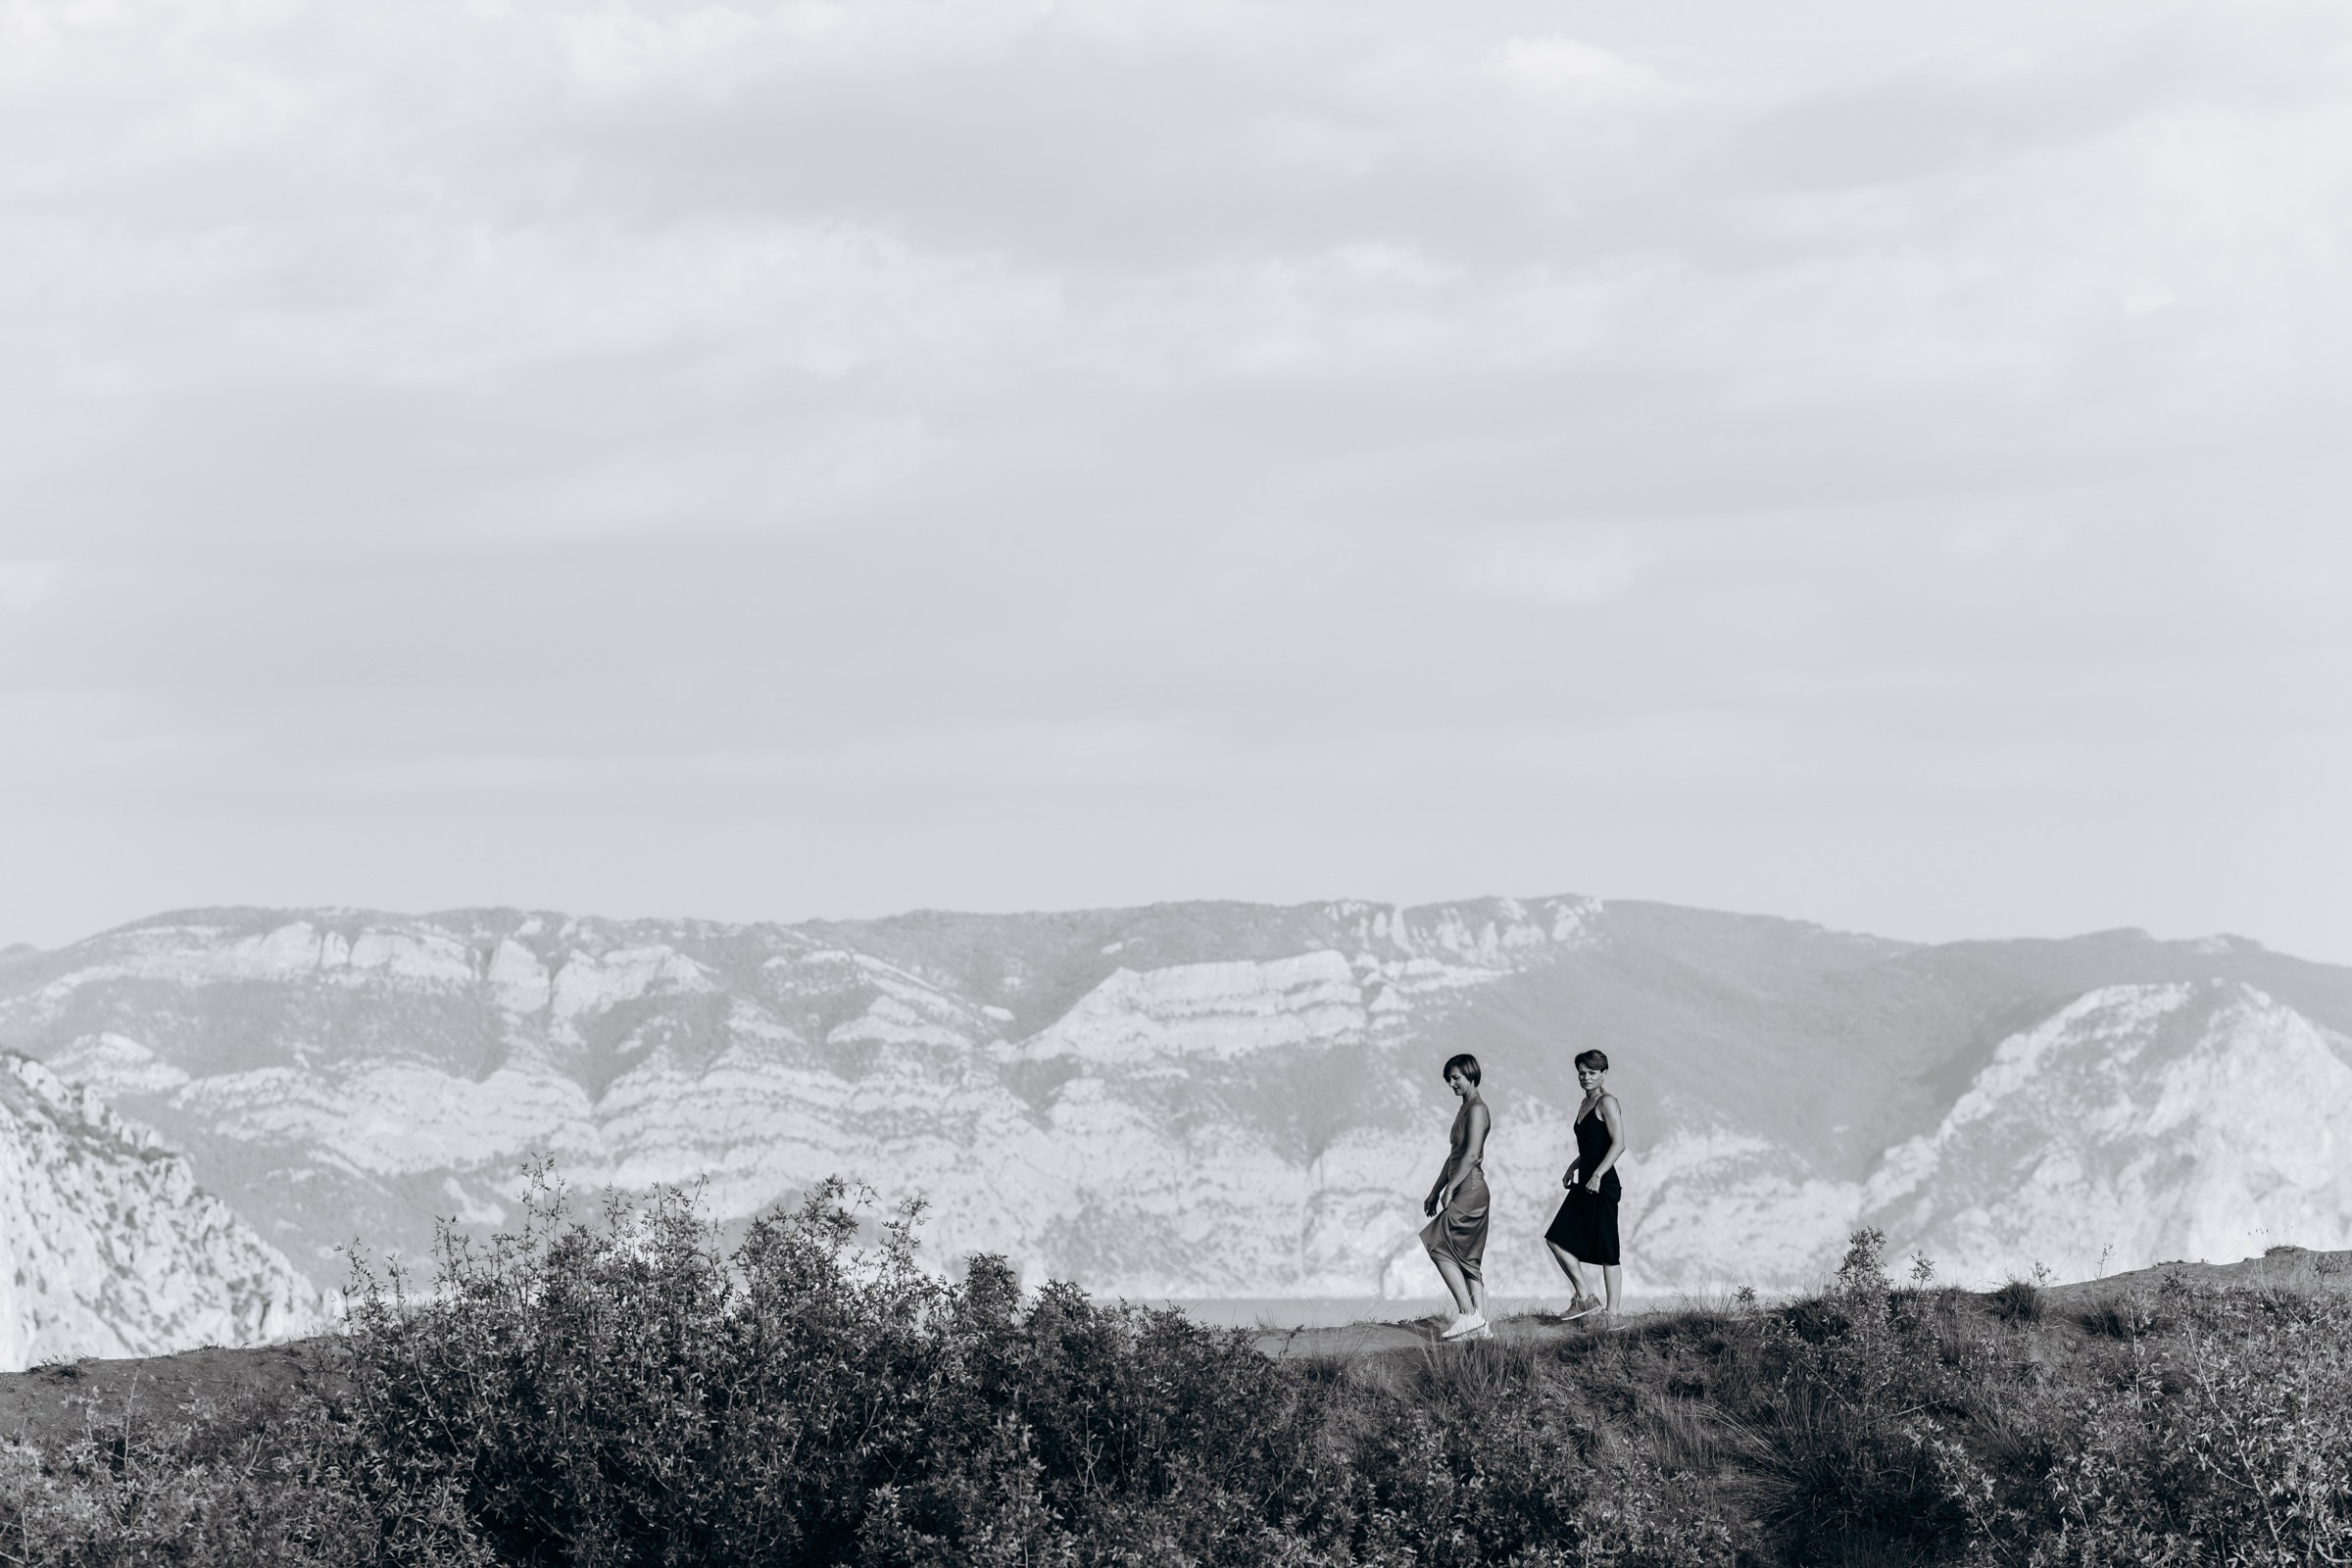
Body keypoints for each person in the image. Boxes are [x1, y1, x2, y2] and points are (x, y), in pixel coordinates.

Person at [1544, 1049, 1626, 1323]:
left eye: (1592, 1072)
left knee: (1608, 1251)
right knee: (1556, 1239)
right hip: (1586, 1182)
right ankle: (1585, 1297)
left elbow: (1618, 1144)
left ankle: (1612, 1315)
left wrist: (1598, 1175)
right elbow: (1593, 1146)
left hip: (1603, 1184)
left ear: (1604, 1073)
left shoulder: (1607, 1102)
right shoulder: (1584, 1102)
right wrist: (1574, 1166)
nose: (1586, 1077)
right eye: (1582, 1072)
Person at [1422, 1052, 1493, 1341]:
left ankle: (1468, 1314)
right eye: (1448, 1080)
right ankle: (1480, 1326)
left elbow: (1472, 1154)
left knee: (1437, 1242)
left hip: (1470, 1187)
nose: (1451, 1084)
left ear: (1471, 1075)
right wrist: (1435, 1189)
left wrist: (1450, 1188)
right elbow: (1454, 1156)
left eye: (1456, 1078)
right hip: (1463, 1184)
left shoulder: (1477, 1108)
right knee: (1467, 1258)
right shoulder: (1465, 1108)